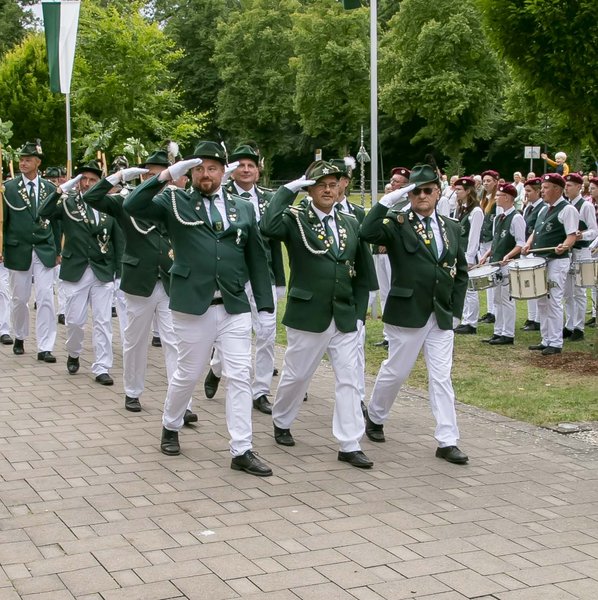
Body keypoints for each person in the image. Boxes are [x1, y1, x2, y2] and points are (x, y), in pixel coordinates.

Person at [124, 140, 275, 477]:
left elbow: (257, 258)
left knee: (240, 375)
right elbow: (133, 204)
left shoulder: (242, 208)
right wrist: (166, 175)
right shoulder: (174, 201)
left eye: (212, 168)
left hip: (233, 305)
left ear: (223, 172)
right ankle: (170, 424)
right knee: (188, 373)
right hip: (193, 304)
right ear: (190, 172)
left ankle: (242, 449)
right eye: (199, 169)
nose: (206, 174)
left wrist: (264, 306)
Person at [260, 160, 376, 469]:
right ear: (309, 190)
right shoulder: (295, 219)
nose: (327, 190)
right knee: (297, 375)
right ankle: (282, 419)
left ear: (340, 188)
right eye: (320, 185)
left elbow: (363, 271)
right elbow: (267, 226)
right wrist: (288, 190)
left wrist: (360, 313)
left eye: (332, 184)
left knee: (350, 379)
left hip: (345, 314)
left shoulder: (351, 221)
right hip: (308, 313)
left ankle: (350, 443)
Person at [360, 164, 469, 465]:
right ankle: (376, 416)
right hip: (408, 311)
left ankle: (447, 440)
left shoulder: (451, 227)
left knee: (441, 377)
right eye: (415, 191)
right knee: (396, 371)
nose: (422, 196)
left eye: (427, 190)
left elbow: (460, 271)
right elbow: (367, 232)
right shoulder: (398, 224)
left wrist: (456, 311)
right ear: (408, 194)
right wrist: (389, 200)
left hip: (440, 314)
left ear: (437, 192)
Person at [83, 151, 196, 423]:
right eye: (149, 174)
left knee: (175, 344)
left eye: (161, 174)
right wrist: (118, 177)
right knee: (135, 342)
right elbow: (91, 198)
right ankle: (132, 391)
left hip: (170, 281)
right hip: (138, 281)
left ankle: (183, 403)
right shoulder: (126, 201)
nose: (155, 179)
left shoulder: (179, 202)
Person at [205, 143, 285, 415]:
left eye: (251, 165)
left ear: (258, 171)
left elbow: (274, 243)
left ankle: (260, 390)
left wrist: (280, 280)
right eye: (241, 165)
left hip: (264, 276)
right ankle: (217, 368)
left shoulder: (269, 199)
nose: (246, 170)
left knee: (267, 333)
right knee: (230, 331)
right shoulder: (221, 195)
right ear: (231, 169)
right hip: (235, 276)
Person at [38, 160, 120, 384]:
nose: (87, 183)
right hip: (76, 270)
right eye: (83, 179)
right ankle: (74, 352)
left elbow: (118, 239)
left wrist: (118, 271)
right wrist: (60, 190)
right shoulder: (68, 204)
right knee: (75, 321)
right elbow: (43, 212)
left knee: (103, 321)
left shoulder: (109, 205)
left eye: (93, 180)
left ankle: (102, 367)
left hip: (102, 270)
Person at [2, 141, 58, 361]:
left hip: (44, 249)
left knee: (45, 297)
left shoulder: (49, 188)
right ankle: (20, 336)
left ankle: (45, 346)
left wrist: (58, 249)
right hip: (18, 249)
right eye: (21, 160)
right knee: (19, 298)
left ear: (38, 162)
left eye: (27, 160)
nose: (23, 163)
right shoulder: (8, 188)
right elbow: (3, 221)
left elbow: (56, 221)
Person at [522, 173, 578, 355]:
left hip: (557, 261)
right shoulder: (543, 209)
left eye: (546, 188)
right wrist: (528, 243)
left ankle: (555, 341)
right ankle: (545, 339)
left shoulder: (567, 209)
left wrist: (565, 246)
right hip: (541, 259)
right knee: (541, 300)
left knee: (553, 300)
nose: (542, 191)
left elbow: (572, 235)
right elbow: (536, 232)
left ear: (557, 189)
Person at [478, 183, 526, 345]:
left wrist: (508, 255)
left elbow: (520, 243)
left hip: (509, 264)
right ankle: (498, 331)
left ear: (507, 197)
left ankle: (508, 333)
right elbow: (496, 242)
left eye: (499, 195)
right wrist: (486, 255)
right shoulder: (498, 218)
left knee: (507, 299)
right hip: (496, 263)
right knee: (497, 299)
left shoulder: (516, 218)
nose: (496, 198)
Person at [372, 166, 411, 348]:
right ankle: (388, 334)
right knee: (384, 293)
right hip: (379, 253)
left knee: (396, 293)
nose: (393, 184)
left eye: (397, 182)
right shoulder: (388, 202)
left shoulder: (407, 204)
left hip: (394, 254)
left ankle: (399, 333)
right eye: (392, 180)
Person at [562, 172, 598, 341]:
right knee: (567, 292)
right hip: (568, 252)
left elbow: (594, 230)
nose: (566, 188)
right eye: (565, 185)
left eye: (569, 185)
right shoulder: (566, 205)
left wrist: (581, 235)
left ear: (579, 187)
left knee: (579, 291)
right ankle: (569, 325)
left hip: (582, 251)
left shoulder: (586, 206)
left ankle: (579, 327)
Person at [453, 176, 484, 335]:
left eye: (459, 190)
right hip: (459, 252)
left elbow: (474, 237)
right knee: (461, 288)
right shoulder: (460, 208)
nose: (456, 192)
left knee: (470, 289)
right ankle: (464, 319)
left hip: (469, 254)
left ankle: (471, 322)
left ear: (467, 191)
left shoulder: (476, 211)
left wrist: (470, 258)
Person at [520, 177, 545, 331]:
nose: (526, 194)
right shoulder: (528, 208)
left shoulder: (542, 207)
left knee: (536, 286)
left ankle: (537, 319)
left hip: (534, 250)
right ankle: (531, 317)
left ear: (538, 191)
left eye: (529, 191)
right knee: (528, 285)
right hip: (526, 248)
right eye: (525, 191)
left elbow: (537, 230)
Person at [478, 170, 500, 324]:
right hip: (483, 241)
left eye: (489, 181)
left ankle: (494, 311)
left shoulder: (497, 200)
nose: (486, 184)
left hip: (492, 241)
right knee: (487, 277)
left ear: (496, 182)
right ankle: (490, 310)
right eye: (484, 181)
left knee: (494, 277)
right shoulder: (484, 199)